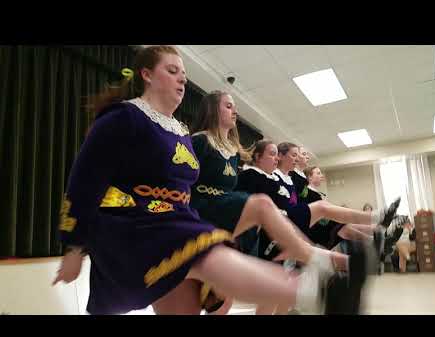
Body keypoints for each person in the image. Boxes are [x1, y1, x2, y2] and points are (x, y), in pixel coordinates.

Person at [51, 45, 341, 316]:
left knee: (194, 298)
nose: (182, 81)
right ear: (147, 75)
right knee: (208, 255)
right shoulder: (123, 117)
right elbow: (84, 181)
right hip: (134, 225)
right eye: (172, 71)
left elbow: (183, 191)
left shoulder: (179, 131)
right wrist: (74, 246)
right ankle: (318, 291)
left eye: (185, 76)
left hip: (176, 222)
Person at [189, 91, 393, 314]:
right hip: (214, 217)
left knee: (237, 291)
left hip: (248, 223)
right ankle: (351, 252)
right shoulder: (204, 144)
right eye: (228, 106)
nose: (235, 111)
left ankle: (361, 249)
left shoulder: (234, 152)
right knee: (299, 219)